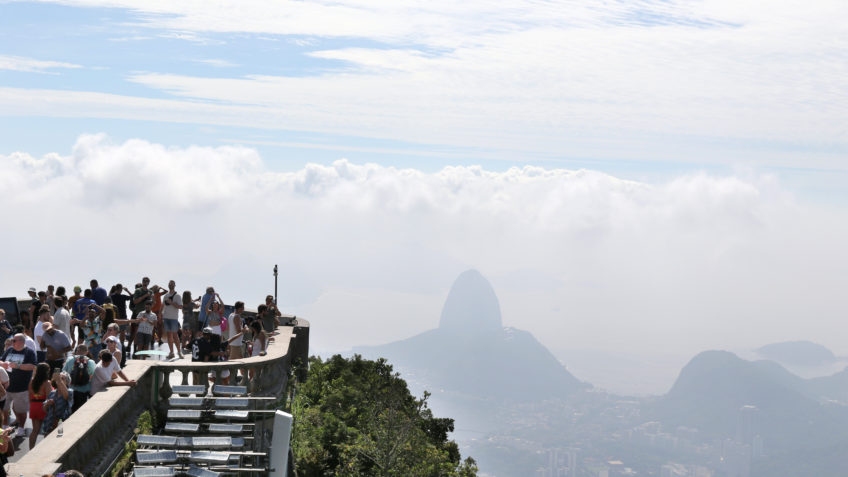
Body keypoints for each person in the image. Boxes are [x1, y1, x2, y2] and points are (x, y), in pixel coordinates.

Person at [0, 333, 38, 437]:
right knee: (4, 408)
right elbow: (1, 360)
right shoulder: (9, 350)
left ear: (21, 341)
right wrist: (2, 364)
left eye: (14, 341)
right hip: (7, 386)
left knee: (20, 410)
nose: (12, 342)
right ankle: (4, 427)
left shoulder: (29, 352)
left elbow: (32, 366)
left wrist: (18, 366)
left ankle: (21, 428)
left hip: (22, 387)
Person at [63, 344, 95, 413]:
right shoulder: (91, 362)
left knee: (72, 409)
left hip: (72, 389)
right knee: (81, 410)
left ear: (77, 351)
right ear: (87, 352)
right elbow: (93, 376)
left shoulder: (70, 359)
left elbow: (63, 373)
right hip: (85, 390)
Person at [28, 362, 52, 449]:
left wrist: (32, 405)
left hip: (33, 405)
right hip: (43, 406)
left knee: (35, 430)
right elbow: (49, 396)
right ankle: (45, 450)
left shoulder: (32, 381)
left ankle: (31, 449)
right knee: (47, 430)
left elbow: (29, 395)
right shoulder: (47, 383)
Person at [42, 370, 72, 436]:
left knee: (59, 440)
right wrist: (47, 404)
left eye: (62, 379)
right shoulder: (52, 392)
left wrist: (58, 379)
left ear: (67, 382)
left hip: (62, 423)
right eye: (58, 378)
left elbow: (66, 396)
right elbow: (44, 409)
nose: (59, 380)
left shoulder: (70, 391)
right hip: (50, 423)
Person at [162, 280, 183, 359]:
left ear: (175, 285)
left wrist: (171, 302)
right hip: (166, 317)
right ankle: (171, 352)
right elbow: (162, 305)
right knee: (169, 336)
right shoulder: (165, 295)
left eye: (172, 284)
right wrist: (160, 314)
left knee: (175, 335)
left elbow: (180, 307)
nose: (170, 285)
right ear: (168, 285)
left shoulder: (177, 296)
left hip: (174, 318)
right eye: (169, 283)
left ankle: (179, 352)